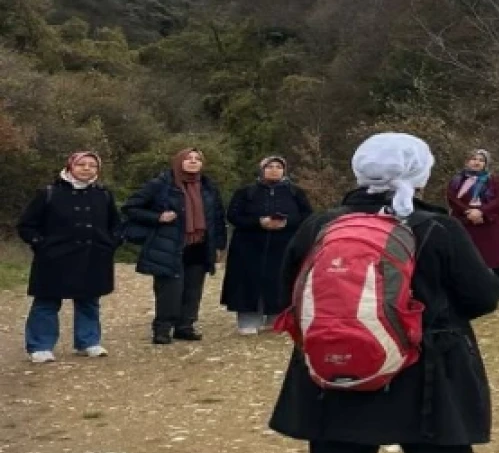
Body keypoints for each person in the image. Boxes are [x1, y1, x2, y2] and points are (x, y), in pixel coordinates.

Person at [269, 132, 499, 453]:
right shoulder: (438, 227)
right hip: (427, 382)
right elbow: (483, 297)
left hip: (335, 375)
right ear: (419, 173)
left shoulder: (320, 226)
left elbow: (287, 293)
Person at [17, 152, 121, 362]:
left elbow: (116, 225)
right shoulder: (49, 193)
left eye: (92, 165)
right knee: (46, 302)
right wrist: (41, 245)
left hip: (93, 257)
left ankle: (88, 342)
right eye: (81, 164)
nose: (87, 168)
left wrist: (111, 243)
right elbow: (26, 225)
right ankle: (40, 346)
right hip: (54, 259)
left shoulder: (103, 194)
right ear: (70, 166)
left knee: (89, 301)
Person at [122, 148, 227, 345]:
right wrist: (158, 217)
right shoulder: (161, 184)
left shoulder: (208, 187)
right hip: (169, 245)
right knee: (169, 291)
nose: (193, 162)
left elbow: (217, 217)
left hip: (199, 244)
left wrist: (219, 244)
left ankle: (185, 327)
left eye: (197, 159)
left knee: (193, 289)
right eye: (188, 158)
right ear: (179, 162)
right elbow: (131, 207)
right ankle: (162, 329)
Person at [220, 156, 313, 336]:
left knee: (279, 281)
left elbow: (307, 215)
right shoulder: (246, 192)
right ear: (262, 170)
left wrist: (286, 222)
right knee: (247, 282)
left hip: (283, 245)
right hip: (249, 246)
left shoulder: (295, 192)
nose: (274, 170)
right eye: (270, 166)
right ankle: (248, 320)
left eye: (278, 166)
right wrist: (258, 222)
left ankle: (275, 319)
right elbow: (233, 215)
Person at [445, 150, 499, 308]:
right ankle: (470, 297)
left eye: (481, 160)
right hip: (466, 224)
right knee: (468, 262)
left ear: (485, 164)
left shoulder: (494, 180)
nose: (477, 162)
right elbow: (452, 198)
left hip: (491, 225)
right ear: (467, 161)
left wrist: (482, 212)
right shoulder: (457, 181)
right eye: (473, 159)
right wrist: (469, 212)